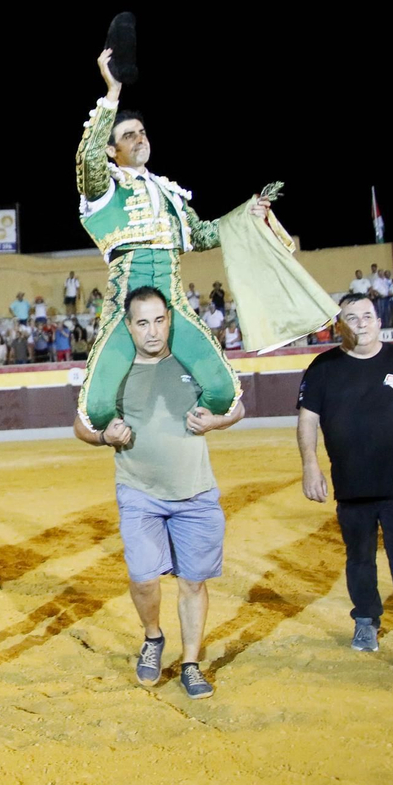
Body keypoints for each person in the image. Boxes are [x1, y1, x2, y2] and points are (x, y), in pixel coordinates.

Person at [75, 45, 271, 434]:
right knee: (96, 408)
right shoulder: (105, 189)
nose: (138, 139)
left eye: (141, 132)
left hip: (172, 303)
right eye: (128, 136)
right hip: (125, 307)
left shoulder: (171, 195)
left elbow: (202, 234)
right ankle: (131, 431)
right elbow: (89, 159)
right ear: (113, 150)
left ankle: (175, 432)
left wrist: (245, 217)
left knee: (222, 391)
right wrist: (112, 92)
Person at [73, 287, 245, 699]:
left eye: (159, 320)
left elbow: (237, 407)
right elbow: (80, 425)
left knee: (193, 583)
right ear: (129, 326)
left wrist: (216, 423)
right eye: (142, 323)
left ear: (169, 320)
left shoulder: (193, 361)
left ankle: (190, 663)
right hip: (139, 492)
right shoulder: (114, 370)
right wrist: (104, 436)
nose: (152, 331)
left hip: (195, 492)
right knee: (144, 579)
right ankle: (153, 636)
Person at [297, 294, 393, 671]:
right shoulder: (323, 367)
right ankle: (366, 619)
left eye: (367, 316)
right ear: (340, 326)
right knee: (360, 558)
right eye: (351, 318)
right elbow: (307, 420)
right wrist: (310, 465)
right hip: (351, 485)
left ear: (379, 321)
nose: (361, 323)